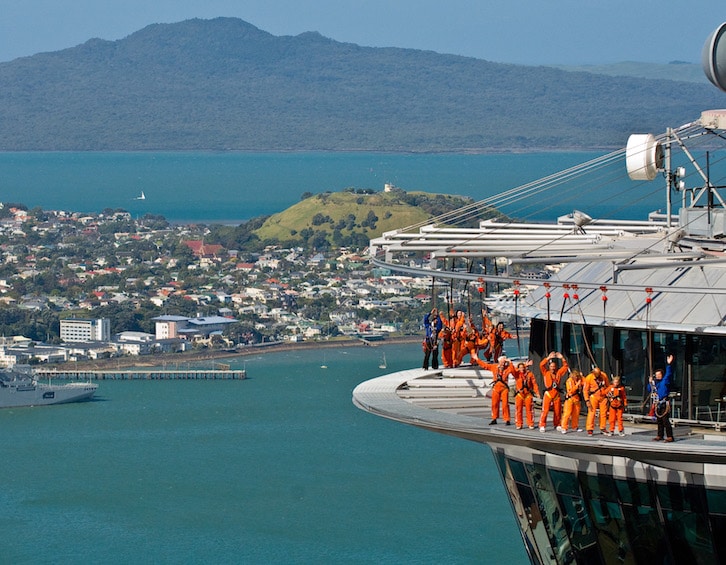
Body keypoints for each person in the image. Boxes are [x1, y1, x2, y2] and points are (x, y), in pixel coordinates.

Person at [478, 355, 515, 425]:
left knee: (505, 404)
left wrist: (510, 363)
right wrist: (477, 359)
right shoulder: (494, 367)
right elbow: (484, 365)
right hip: (496, 388)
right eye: (502, 362)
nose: (503, 364)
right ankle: (494, 418)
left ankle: (507, 419)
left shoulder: (508, 368)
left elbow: (514, 371)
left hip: (504, 388)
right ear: (499, 362)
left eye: (504, 362)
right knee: (494, 404)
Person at [538, 352, 569, 432]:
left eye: (554, 366)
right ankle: (542, 425)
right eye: (551, 366)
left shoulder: (558, 373)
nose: (552, 368)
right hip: (548, 393)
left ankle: (557, 424)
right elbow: (541, 365)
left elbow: (565, 367)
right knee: (545, 410)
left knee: (558, 411)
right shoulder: (546, 372)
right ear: (549, 367)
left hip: (556, 393)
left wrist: (562, 358)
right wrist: (548, 358)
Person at [649, 354, 675, 442]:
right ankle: (659, 435)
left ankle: (670, 436)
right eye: (656, 375)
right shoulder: (655, 383)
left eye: (659, 375)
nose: (657, 376)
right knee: (659, 420)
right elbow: (650, 390)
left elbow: (668, 374)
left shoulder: (664, 381)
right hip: (657, 403)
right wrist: (650, 382)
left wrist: (669, 364)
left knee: (665, 420)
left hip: (664, 403)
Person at [513, 360, 540, 429]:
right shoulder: (517, 374)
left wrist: (537, 392)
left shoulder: (530, 374)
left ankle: (530, 423)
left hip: (528, 394)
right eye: (520, 368)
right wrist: (525, 364)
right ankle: (519, 424)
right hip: (520, 394)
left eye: (523, 367)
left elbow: (534, 384)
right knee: (518, 410)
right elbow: (512, 370)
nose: (522, 369)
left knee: (530, 410)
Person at [583, 367, 610, 436]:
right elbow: (585, 390)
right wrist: (587, 400)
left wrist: (608, 395)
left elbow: (608, 386)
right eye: (596, 374)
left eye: (599, 374)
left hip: (603, 397)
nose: (598, 376)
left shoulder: (604, 375)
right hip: (593, 397)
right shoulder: (589, 378)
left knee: (603, 413)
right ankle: (590, 429)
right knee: (592, 413)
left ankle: (603, 428)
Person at [560, 369, 584, 434]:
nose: (576, 377)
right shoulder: (569, 381)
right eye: (576, 376)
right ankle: (564, 427)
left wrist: (582, 377)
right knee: (567, 414)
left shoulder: (578, 380)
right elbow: (571, 391)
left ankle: (575, 426)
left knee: (576, 414)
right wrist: (577, 385)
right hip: (570, 399)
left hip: (576, 399)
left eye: (577, 376)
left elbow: (585, 382)